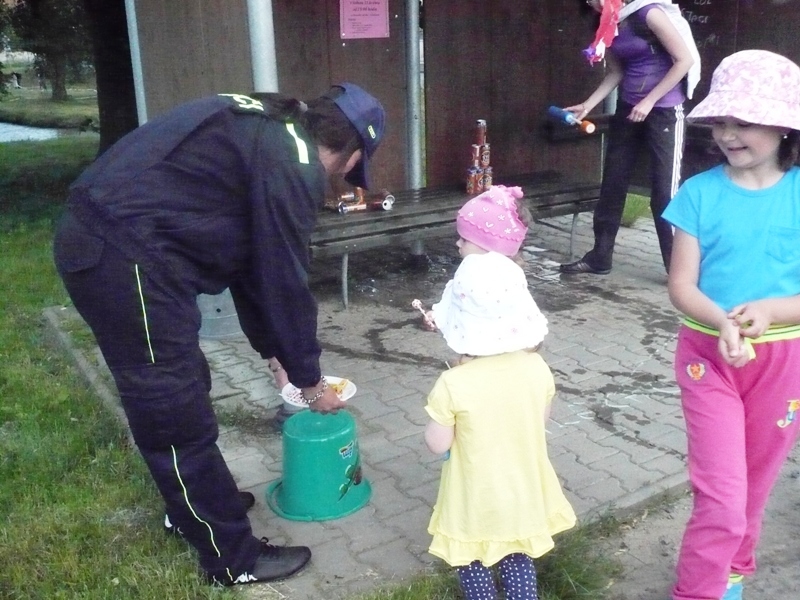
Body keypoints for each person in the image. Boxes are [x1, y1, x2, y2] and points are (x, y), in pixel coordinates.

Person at [52, 83, 385, 586]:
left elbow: (253, 269)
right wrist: (311, 382)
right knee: (172, 412)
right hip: (124, 257)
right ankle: (232, 560)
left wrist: (277, 355)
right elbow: (283, 280)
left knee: (186, 386)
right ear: (353, 155)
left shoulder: (273, 128)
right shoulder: (294, 162)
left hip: (121, 247)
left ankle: (197, 509)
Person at [662, 50, 800, 600]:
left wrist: (771, 311)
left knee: (754, 488)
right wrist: (724, 322)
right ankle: (697, 591)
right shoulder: (697, 194)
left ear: (784, 125)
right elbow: (681, 286)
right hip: (708, 357)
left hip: (783, 363)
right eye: (721, 120)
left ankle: (733, 576)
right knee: (721, 494)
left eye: (743, 120)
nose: (727, 133)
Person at [421, 185, 577, 600]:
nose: (458, 243)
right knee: (516, 551)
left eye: (462, 238)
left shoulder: (453, 384)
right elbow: (538, 421)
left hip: (474, 499)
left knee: (470, 556)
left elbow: (437, 444)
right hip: (522, 493)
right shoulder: (536, 368)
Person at [560, 0, 699, 275]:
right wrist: (587, 105)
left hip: (664, 110)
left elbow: (684, 61)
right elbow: (617, 71)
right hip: (628, 108)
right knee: (613, 182)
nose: (593, 2)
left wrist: (649, 101)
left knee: (664, 192)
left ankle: (678, 270)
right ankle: (600, 257)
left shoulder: (649, 13)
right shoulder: (606, 23)